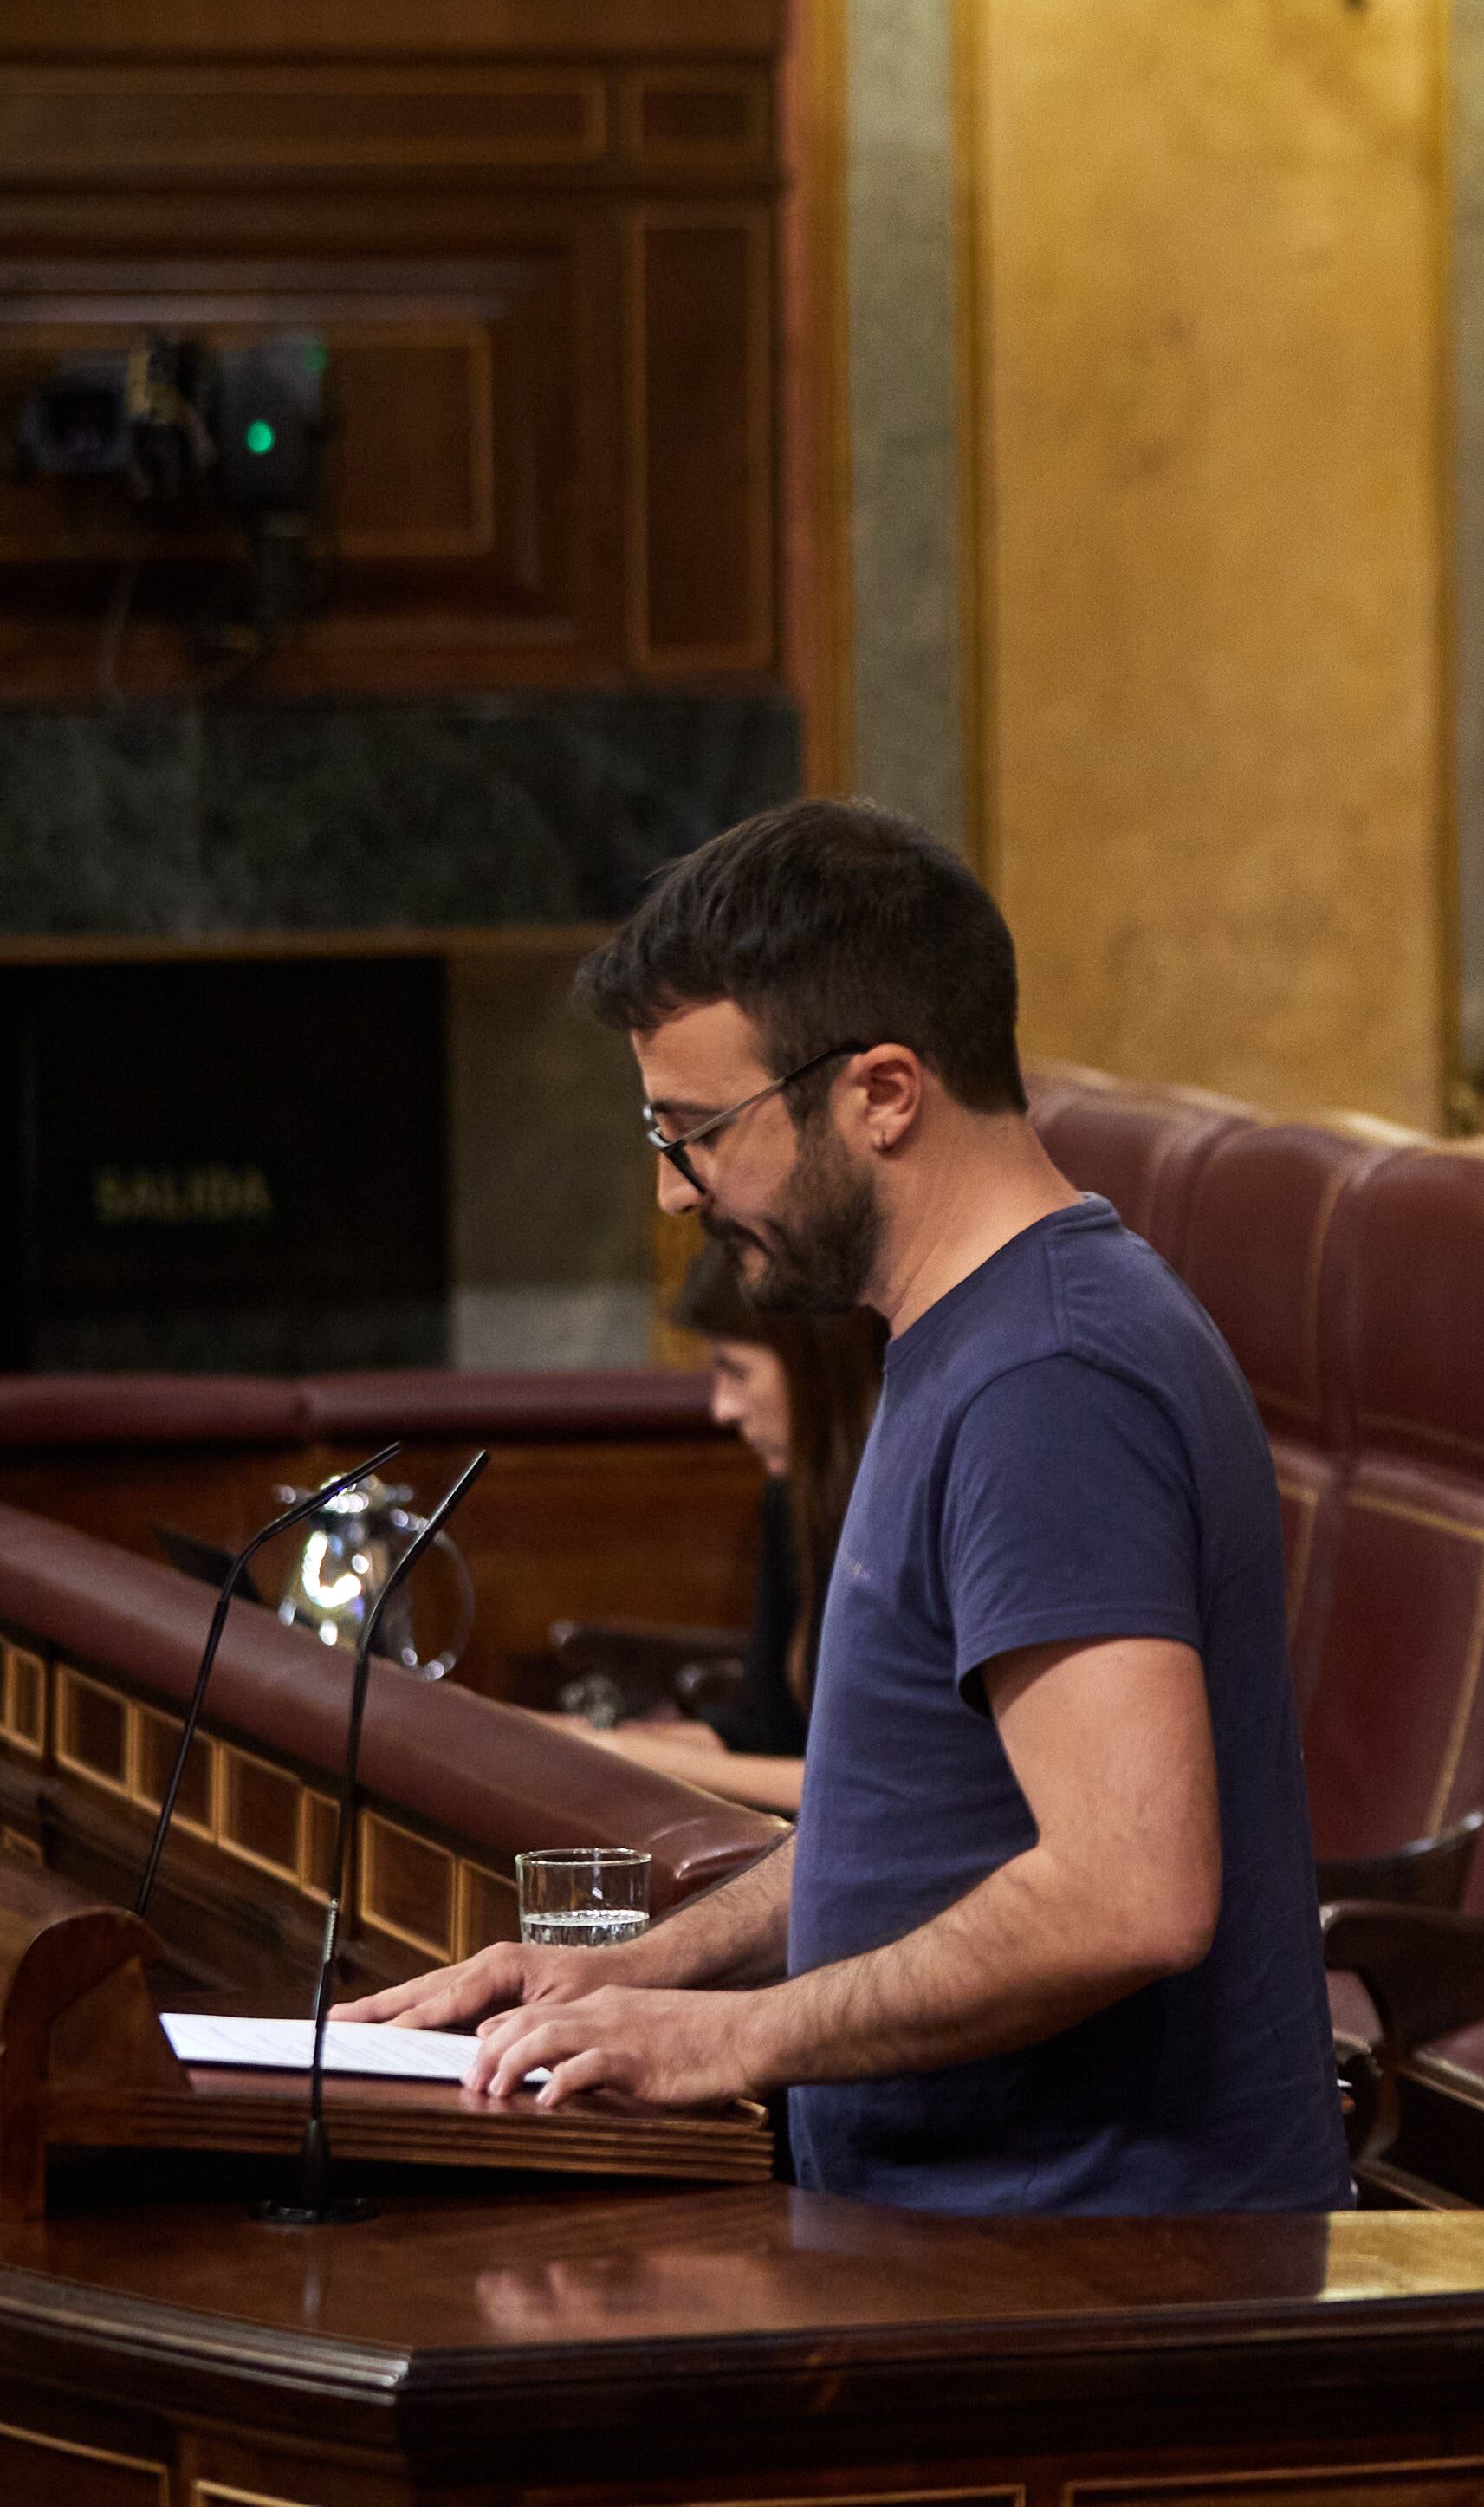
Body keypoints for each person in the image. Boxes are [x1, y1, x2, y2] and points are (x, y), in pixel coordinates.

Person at [352, 797, 1350, 2216]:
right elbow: (920, 1831)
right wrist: (648, 1970)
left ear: (881, 1092)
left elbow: (1134, 1892)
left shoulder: (1049, 1381)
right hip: (973, 2251)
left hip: (1088, 2288)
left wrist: (733, 2036)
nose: (670, 1188)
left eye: (698, 1130)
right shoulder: (964, 1337)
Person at [571, 1238, 883, 1815]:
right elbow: (763, 1734)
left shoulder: (900, 1508)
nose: (722, 1408)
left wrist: (613, 1750)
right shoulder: (793, 1497)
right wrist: (554, 1735)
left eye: (736, 1371)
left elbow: (872, 1788)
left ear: (819, 1365)